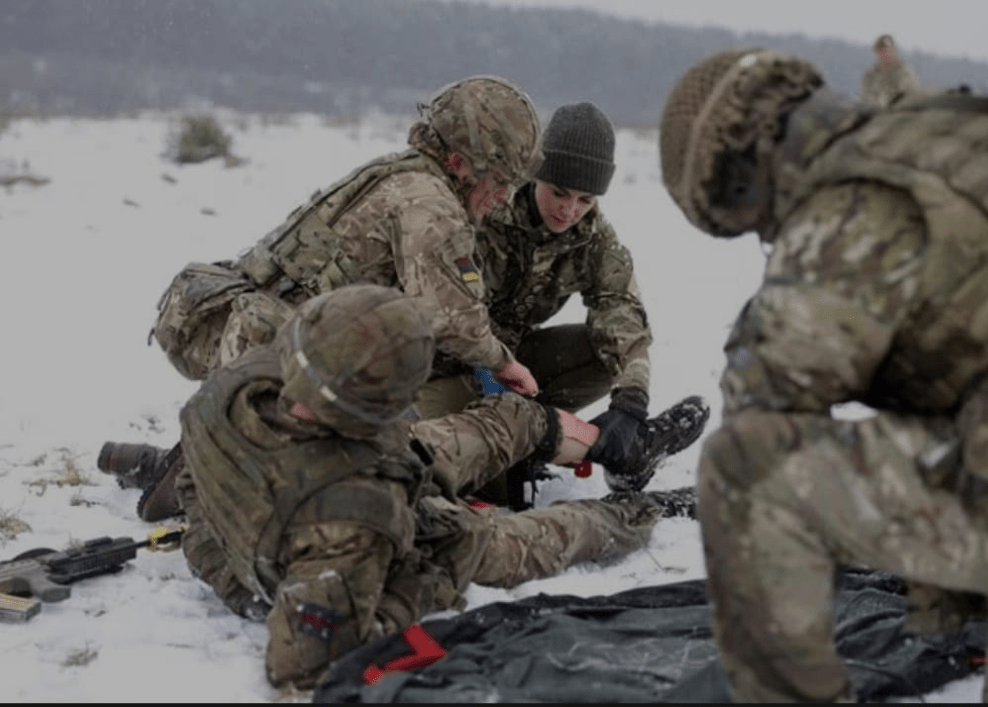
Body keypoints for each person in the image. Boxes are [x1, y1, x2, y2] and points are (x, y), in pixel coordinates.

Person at [659, 47, 988, 701]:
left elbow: (762, 416)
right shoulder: (945, 125)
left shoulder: (847, 210)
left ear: (743, 180)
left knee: (745, 472)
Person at [175, 283, 698, 690]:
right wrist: (433, 580)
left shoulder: (239, 378)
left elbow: (191, 483)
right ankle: (637, 509)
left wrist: (213, 545)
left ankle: (622, 450)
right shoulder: (355, 522)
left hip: (345, 462)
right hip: (360, 512)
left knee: (511, 418)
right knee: (538, 538)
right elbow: (305, 671)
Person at [98, 75, 544, 521]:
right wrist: (504, 363)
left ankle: (200, 458)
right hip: (282, 355)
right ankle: (205, 479)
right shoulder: (429, 204)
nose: (503, 196)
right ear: (460, 162)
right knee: (401, 466)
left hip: (255, 339)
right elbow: (451, 318)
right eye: (499, 180)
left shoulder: (400, 174)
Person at [417, 100, 705, 508]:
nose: (569, 210)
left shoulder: (592, 236)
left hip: (515, 368)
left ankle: (623, 446)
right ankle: (591, 449)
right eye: (559, 192)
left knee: (603, 352)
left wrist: (631, 402)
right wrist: (492, 388)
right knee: (472, 478)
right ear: (536, 173)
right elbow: (441, 310)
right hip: (438, 366)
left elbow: (622, 312)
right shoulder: (486, 205)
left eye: (586, 199)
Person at [861, 33, 921, 107]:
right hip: (876, 113)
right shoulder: (870, 75)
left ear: (895, 52)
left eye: (888, 51)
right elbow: (865, 97)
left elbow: (912, 94)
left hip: (899, 111)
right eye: (881, 51)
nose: (885, 55)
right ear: (876, 53)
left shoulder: (905, 72)